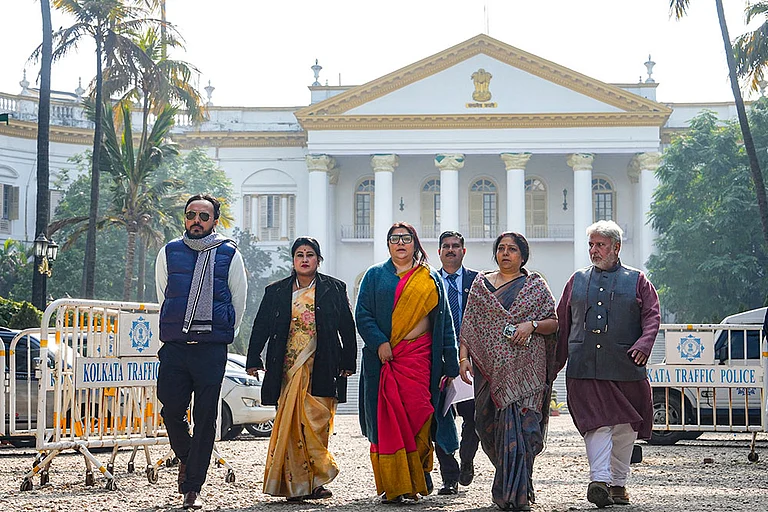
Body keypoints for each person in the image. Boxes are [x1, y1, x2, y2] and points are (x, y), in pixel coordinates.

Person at [555, 220, 660, 508]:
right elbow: (562, 325)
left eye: (600, 244)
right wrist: (553, 366)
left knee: (626, 427)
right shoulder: (576, 280)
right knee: (597, 423)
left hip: (626, 366)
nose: (594, 250)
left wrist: (644, 344)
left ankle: (618, 485)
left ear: (616, 247)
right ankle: (599, 480)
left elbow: (652, 316)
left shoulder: (638, 280)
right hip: (584, 367)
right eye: (591, 245)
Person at [245, 236, 357, 501]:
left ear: (318, 259)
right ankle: (292, 484)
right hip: (287, 368)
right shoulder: (276, 291)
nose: (305, 259)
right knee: (291, 423)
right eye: (299, 255)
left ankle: (316, 481)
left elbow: (347, 327)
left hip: (323, 364)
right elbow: (260, 325)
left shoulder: (334, 288)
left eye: (310, 254)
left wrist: (348, 362)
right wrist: (253, 359)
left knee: (317, 423)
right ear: (293, 260)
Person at [155, 194, 247, 510]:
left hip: (210, 350)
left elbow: (239, 301)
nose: (196, 220)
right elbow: (164, 295)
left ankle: (192, 486)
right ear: (185, 218)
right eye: (191, 214)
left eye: (203, 216)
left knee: (206, 417)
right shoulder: (168, 252)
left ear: (214, 222)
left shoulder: (229, 254)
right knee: (170, 409)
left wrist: (220, 337)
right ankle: (187, 456)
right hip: (176, 347)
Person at [356, 222, 459, 505]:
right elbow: (362, 313)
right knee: (388, 421)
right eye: (394, 239)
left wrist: (451, 364)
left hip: (421, 360)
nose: (400, 243)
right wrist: (380, 342)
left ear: (415, 243)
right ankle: (395, 485)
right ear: (388, 244)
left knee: (422, 413)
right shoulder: (375, 275)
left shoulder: (430, 277)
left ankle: (417, 478)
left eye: (406, 238)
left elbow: (445, 323)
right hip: (386, 360)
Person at [459, 232, 558, 512]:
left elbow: (553, 322)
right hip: (489, 372)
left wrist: (531, 326)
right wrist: (463, 358)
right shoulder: (481, 286)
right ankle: (514, 482)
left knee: (525, 431)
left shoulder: (535, 285)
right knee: (485, 425)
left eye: (512, 249)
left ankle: (515, 492)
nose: (505, 253)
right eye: (501, 248)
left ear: (522, 256)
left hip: (528, 373)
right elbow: (469, 327)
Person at [434, 230, 480, 495]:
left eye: (455, 246)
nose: (450, 250)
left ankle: (467, 459)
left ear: (463, 251)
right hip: (438, 363)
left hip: (471, 362)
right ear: (439, 252)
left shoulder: (478, 281)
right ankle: (449, 476)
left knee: (473, 418)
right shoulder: (430, 281)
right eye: (446, 246)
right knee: (441, 419)